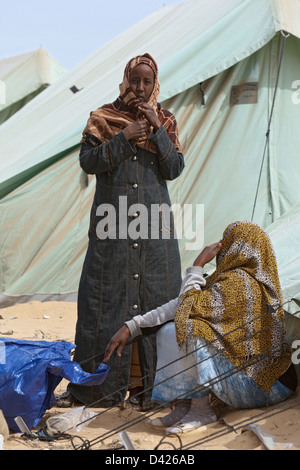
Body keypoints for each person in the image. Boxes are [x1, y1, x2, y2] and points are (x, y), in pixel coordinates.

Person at [58, 53, 184, 409]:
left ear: (154, 83)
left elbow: (173, 168)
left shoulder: (167, 120)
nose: (140, 88)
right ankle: (99, 389)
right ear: (126, 81)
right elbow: (88, 162)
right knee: (104, 302)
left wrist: (157, 129)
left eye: (147, 82)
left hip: (154, 230)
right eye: (135, 80)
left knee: (156, 299)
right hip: (111, 227)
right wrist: (125, 136)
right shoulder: (102, 118)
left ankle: (149, 390)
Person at [104, 221, 297, 434]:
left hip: (267, 385)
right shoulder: (227, 278)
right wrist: (132, 326)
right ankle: (185, 406)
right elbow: (178, 306)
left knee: (191, 328)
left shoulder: (241, 283)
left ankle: (201, 410)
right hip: (250, 379)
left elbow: (188, 307)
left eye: (227, 241)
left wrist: (198, 264)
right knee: (171, 330)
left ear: (236, 247)